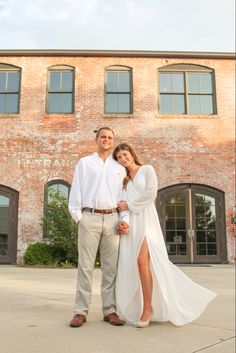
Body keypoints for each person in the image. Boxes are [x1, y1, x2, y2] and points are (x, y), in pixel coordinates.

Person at [113, 143, 217, 328]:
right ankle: (141, 305)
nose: (123, 159)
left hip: (146, 221)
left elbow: (151, 193)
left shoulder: (147, 170)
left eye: (125, 154)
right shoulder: (124, 180)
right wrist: (124, 220)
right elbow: (121, 204)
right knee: (133, 266)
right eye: (119, 157)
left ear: (132, 154)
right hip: (132, 225)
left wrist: (129, 205)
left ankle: (147, 308)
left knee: (142, 262)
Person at [68, 127, 129, 328]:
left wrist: (124, 218)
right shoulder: (85, 163)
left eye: (110, 137)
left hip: (112, 219)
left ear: (113, 141)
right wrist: (79, 218)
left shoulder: (118, 167)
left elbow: (123, 198)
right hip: (89, 217)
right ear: (96, 139)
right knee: (85, 267)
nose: (106, 140)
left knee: (110, 269)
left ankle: (110, 310)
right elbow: (76, 190)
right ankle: (80, 311)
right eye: (103, 136)